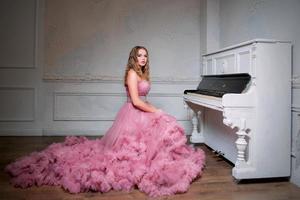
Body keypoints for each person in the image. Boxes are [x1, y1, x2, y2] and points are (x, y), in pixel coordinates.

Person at [5, 46, 205, 197]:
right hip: (132, 113)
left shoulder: (142, 73)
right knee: (137, 144)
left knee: (156, 136)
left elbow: (142, 98)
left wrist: (152, 110)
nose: (143, 58)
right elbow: (135, 101)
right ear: (133, 58)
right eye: (140, 55)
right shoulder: (132, 73)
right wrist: (156, 110)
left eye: (145, 56)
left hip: (142, 112)